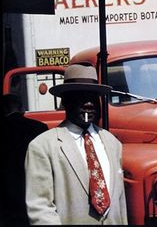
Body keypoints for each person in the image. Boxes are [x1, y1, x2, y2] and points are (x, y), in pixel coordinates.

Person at [25, 64, 128, 225]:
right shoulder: (43, 147)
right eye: (80, 96)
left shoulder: (112, 143)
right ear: (65, 100)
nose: (88, 104)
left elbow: (120, 204)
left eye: (93, 97)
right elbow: (40, 208)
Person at [2, 93, 48, 226]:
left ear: (4, 109)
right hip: (32, 185)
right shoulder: (39, 127)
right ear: (22, 109)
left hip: (6, 190)